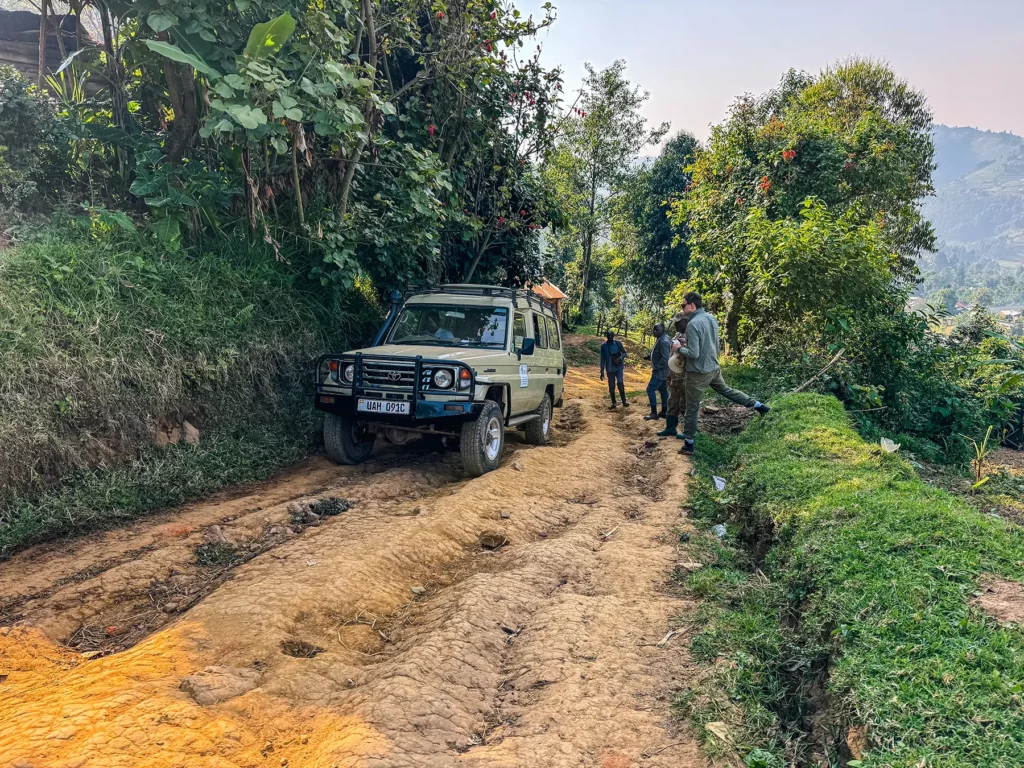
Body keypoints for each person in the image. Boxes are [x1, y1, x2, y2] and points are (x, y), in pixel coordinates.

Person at [677, 292, 770, 455]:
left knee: (691, 408)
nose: (682, 308)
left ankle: (689, 444)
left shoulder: (692, 324)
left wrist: (679, 348)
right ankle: (759, 406)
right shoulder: (711, 318)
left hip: (698, 372)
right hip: (713, 367)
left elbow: (693, 354)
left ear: (692, 305)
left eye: (683, 305)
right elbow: (712, 342)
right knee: (727, 391)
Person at [657, 313, 689, 438]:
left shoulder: (691, 335)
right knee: (672, 401)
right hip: (674, 374)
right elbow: (671, 353)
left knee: (684, 403)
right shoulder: (677, 335)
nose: (675, 325)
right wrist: (668, 373)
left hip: (686, 374)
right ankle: (670, 428)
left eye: (678, 322)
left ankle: (688, 432)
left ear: (685, 321)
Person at [645, 322, 671, 421]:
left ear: (663, 330)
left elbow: (665, 358)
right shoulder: (662, 338)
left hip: (660, 371)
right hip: (663, 371)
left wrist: (656, 366)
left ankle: (653, 413)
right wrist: (650, 357)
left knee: (650, 390)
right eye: (654, 330)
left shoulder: (663, 341)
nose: (654, 332)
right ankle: (664, 411)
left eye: (657, 330)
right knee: (663, 391)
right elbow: (659, 353)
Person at [599, 330, 629, 409]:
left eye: (611, 336)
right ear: (606, 336)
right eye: (608, 336)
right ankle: (614, 403)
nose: (610, 337)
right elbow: (602, 359)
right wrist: (602, 371)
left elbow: (625, 353)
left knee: (620, 382)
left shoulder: (618, 343)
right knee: (611, 385)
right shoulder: (603, 346)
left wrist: (620, 358)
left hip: (618, 367)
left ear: (613, 336)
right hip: (609, 368)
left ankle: (624, 401)